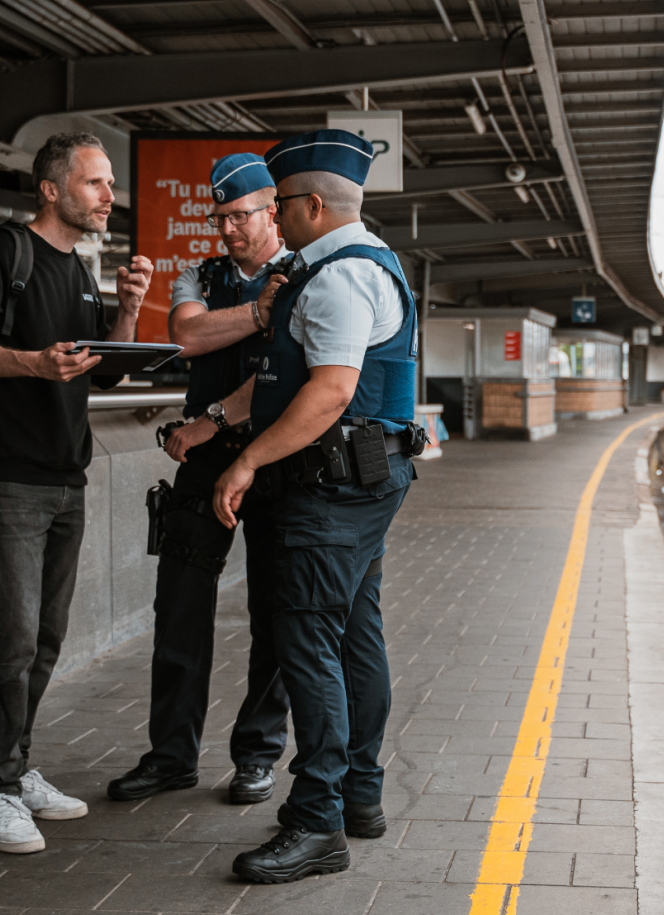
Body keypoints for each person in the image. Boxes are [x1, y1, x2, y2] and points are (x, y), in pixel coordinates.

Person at [211, 130, 423, 884]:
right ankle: (359, 794)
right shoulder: (359, 267)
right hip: (363, 486)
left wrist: (246, 459)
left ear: (308, 204)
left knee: (309, 645)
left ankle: (316, 819)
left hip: (328, 493)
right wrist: (220, 422)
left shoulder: (337, 279)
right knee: (357, 636)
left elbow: (329, 392)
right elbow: (283, 379)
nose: (273, 213)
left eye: (278, 203)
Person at [0, 132, 153, 854]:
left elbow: (108, 371)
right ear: (52, 189)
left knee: (47, 637)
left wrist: (127, 309)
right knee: (16, 637)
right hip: (6, 478)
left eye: (110, 184)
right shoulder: (6, 253)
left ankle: (17, 766)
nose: (108, 196)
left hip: (67, 479)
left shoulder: (83, 271)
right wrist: (31, 361)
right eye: (96, 183)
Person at [108, 154, 294, 806]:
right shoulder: (200, 275)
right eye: (220, 218)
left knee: (276, 612)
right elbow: (186, 335)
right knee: (180, 608)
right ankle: (170, 755)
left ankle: (257, 754)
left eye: (241, 215)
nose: (229, 229)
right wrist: (258, 315)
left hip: (274, 459)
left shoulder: (302, 272)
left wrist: (214, 419)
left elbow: (286, 372)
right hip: (201, 466)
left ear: (272, 209)